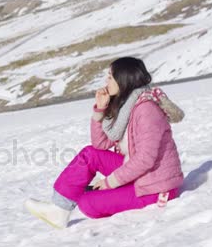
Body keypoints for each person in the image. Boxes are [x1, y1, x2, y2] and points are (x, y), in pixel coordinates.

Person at [25, 57, 185, 229]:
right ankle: (59, 209)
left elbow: (145, 159)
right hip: (139, 173)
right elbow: (100, 144)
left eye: (110, 76)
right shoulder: (127, 107)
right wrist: (100, 110)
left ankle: (79, 204)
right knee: (89, 155)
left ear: (123, 79)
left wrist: (110, 182)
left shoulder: (146, 110)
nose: (106, 81)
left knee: (86, 202)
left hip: (155, 187)